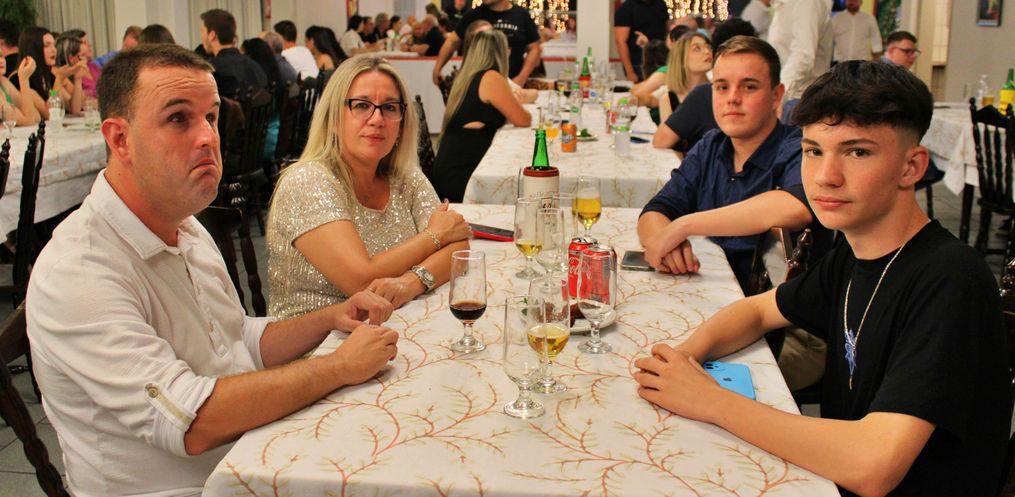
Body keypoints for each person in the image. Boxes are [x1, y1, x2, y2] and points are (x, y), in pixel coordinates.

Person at [26, 43, 400, 497]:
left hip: (249, 461)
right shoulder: (79, 270)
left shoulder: (184, 225)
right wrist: (338, 366)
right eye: (178, 119)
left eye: (211, 117)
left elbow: (237, 339)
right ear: (120, 139)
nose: (207, 137)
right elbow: (190, 422)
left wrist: (329, 318)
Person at [633, 60, 1012, 497]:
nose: (826, 177)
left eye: (858, 152)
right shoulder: (854, 252)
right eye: (813, 151)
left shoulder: (950, 279)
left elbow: (872, 467)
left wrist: (709, 400)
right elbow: (758, 311)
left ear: (911, 167)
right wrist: (683, 360)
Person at [267, 55, 472, 317]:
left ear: (401, 123)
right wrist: (435, 235)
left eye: (389, 107)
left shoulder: (404, 176)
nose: (377, 119)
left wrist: (411, 283)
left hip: (394, 321)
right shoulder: (307, 182)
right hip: (326, 337)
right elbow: (360, 282)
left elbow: (458, 248)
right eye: (362, 105)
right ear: (333, 117)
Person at [637, 36, 815, 291]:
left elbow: (797, 206)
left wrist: (684, 225)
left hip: (759, 303)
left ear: (776, 96)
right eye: (722, 87)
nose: (732, 98)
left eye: (749, 87)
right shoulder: (711, 145)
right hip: (700, 288)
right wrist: (665, 243)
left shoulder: (797, 147)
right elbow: (657, 208)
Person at [428, 30, 531, 203]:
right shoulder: (491, 78)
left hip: (448, 171)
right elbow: (524, 120)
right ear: (500, 52)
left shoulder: (468, 77)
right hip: (462, 180)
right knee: (525, 191)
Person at [652, 18, 757, 154]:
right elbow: (668, 145)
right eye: (697, 48)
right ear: (681, 58)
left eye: (708, 46)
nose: (707, 51)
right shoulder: (669, 98)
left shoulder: (719, 92)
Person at [432, 0, 542, 87]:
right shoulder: (473, 15)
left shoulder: (521, 15)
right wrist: (438, 67)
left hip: (511, 84)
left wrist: (521, 77)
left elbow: (535, 48)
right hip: (477, 85)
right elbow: (452, 42)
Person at [767, 0, 832, 117]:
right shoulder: (782, 6)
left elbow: (803, 56)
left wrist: (779, 96)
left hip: (799, 100)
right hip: (786, 98)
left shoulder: (806, 3)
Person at [12, 27, 83, 119]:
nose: (54, 50)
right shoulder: (19, 78)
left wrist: (78, 78)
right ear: (33, 49)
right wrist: (59, 79)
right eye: (47, 45)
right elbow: (50, 114)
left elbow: (74, 109)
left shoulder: (48, 75)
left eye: (54, 45)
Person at [200, 9, 268, 99]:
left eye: (202, 32)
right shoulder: (255, 66)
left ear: (212, 35)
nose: (201, 37)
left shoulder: (212, 71)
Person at [614, 0, 670, 82]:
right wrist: (630, 72)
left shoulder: (661, 4)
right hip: (638, 64)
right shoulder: (626, 8)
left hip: (663, 60)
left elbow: (667, 30)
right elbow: (620, 42)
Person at [0, 49, 41, 126]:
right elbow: (29, 121)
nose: (1, 61)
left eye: (1, 56)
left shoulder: (4, 82)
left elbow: (36, 116)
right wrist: (24, 80)